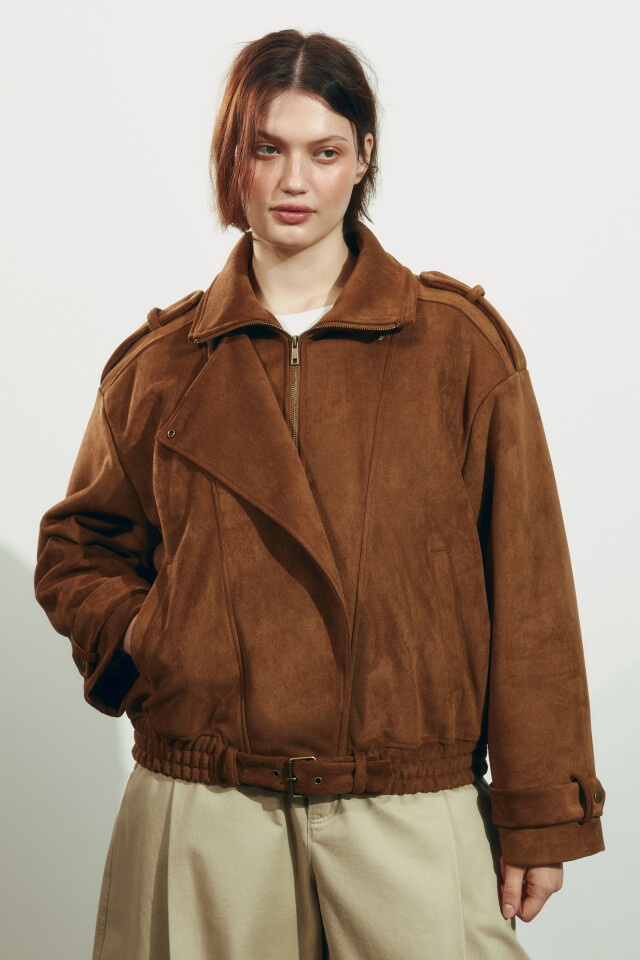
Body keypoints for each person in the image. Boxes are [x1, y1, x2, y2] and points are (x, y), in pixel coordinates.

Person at [34, 28, 606, 960]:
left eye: (324, 151)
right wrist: (151, 639)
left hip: (409, 801)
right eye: (268, 149)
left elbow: (530, 587)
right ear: (234, 157)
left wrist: (540, 812)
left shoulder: (457, 349)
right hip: (205, 799)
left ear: (363, 157)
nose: (294, 180)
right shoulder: (161, 366)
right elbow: (79, 547)